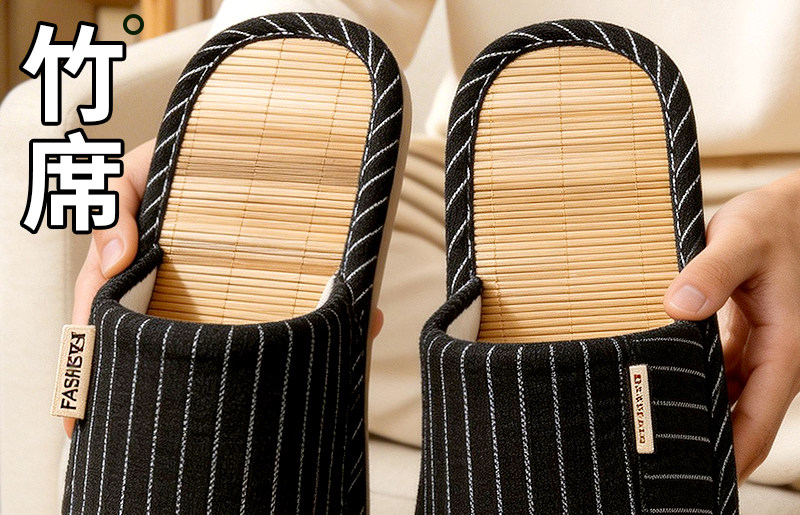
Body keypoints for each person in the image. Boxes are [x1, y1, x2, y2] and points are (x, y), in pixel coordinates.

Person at [67, 0, 800, 484]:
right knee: (282, 283)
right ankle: (615, 420)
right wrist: (230, 145)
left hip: (770, 202)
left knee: (328, 355)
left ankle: (560, 409)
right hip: (482, 175)